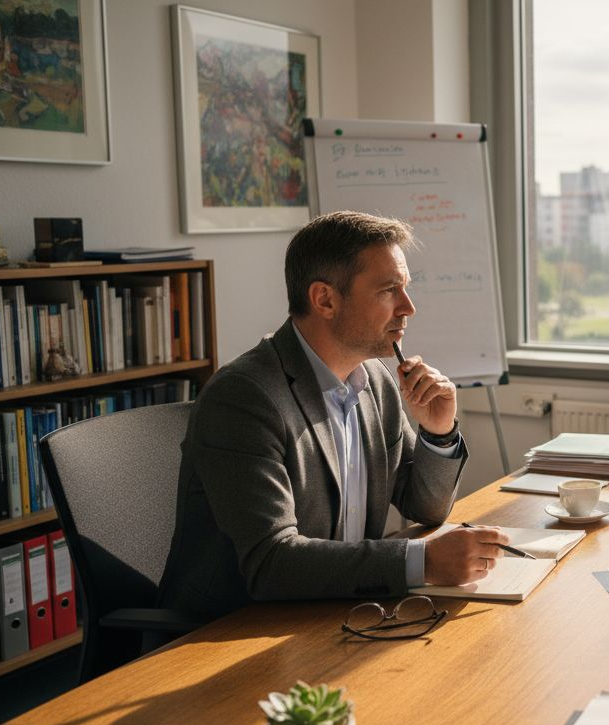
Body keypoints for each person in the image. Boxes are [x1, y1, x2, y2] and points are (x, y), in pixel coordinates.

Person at [158, 211, 509, 620]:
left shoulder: (374, 380)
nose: (408, 307)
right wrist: (422, 561)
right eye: (388, 290)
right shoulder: (244, 397)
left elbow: (425, 507)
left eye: (406, 288)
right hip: (235, 630)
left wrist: (438, 430)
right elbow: (272, 561)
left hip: (341, 608)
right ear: (325, 299)